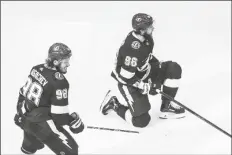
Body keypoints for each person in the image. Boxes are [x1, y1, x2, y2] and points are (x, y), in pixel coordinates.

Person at [100, 13, 185, 128]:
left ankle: (167, 106)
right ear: (141, 30)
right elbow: (125, 77)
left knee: (173, 68)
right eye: (149, 26)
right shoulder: (132, 49)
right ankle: (114, 104)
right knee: (141, 121)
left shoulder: (146, 38)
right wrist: (145, 86)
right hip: (128, 81)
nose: (152, 28)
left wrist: (158, 75)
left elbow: (146, 57)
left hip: (143, 71)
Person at [14, 43, 84, 155]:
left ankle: (29, 144)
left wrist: (20, 113)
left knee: (29, 148)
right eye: (65, 61)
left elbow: (22, 93)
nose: (68, 64)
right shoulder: (60, 82)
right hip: (39, 125)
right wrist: (74, 122)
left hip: (24, 117)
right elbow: (59, 118)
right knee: (71, 151)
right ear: (56, 62)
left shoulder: (36, 68)